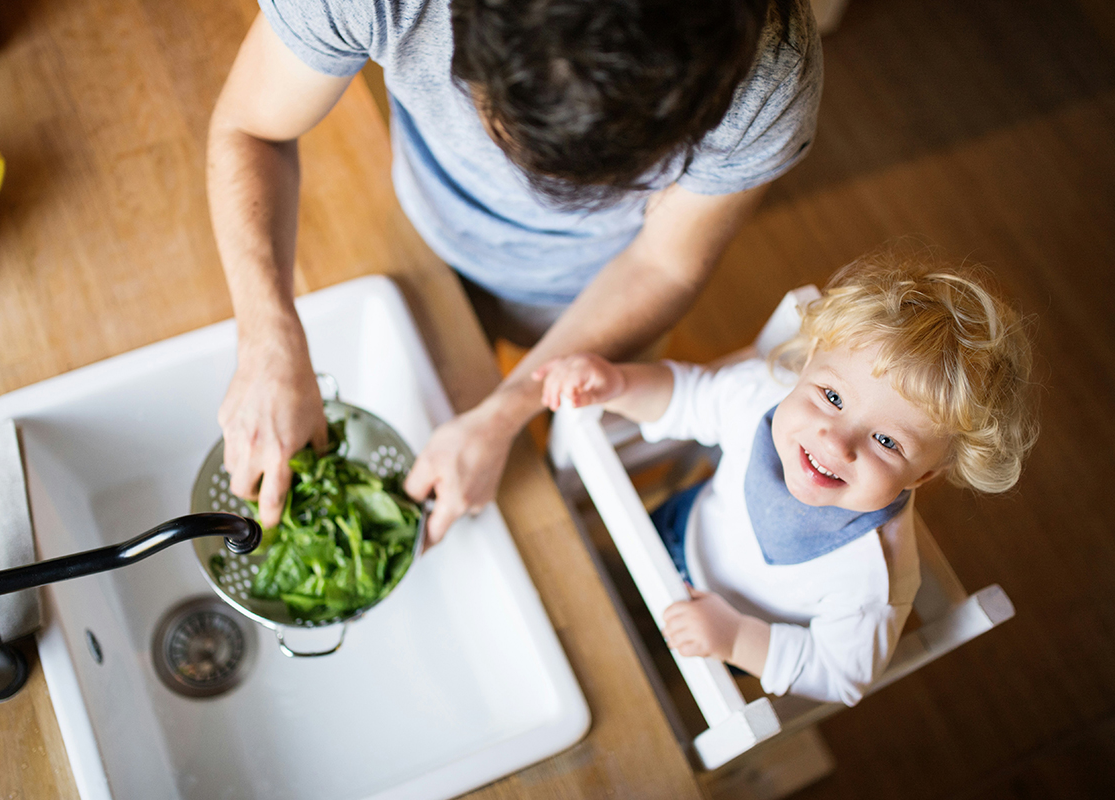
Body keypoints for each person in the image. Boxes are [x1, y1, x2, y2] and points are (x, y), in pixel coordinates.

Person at [207, 0, 821, 543]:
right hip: (426, 236)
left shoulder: (768, 79)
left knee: (561, 477)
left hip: (602, 291)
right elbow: (250, 128)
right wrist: (267, 338)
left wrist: (506, 412)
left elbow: (662, 265)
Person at [534, 253, 1038, 703]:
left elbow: (842, 676)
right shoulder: (762, 395)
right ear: (809, 363)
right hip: (671, 532)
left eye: (887, 441)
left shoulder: (871, 577)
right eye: (832, 397)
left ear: (922, 475)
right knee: (575, 597)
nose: (836, 443)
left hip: (724, 633)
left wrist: (736, 639)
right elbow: (687, 396)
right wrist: (619, 383)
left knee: (623, 680)